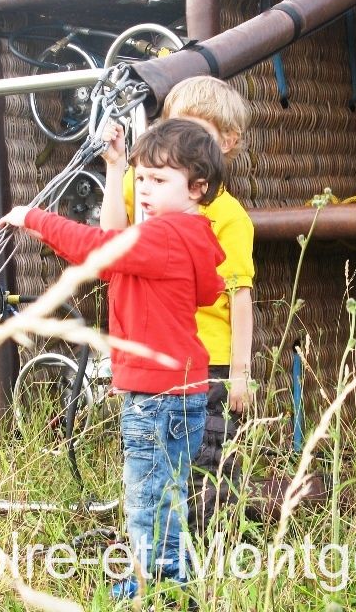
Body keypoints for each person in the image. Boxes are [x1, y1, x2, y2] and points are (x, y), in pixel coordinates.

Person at [0, 118, 226, 592]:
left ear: (198, 189)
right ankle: (167, 582)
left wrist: (34, 219)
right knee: (167, 497)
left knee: (148, 502)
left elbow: (97, 248)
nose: (144, 189)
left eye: (159, 180)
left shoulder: (165, 238)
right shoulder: (185, 235)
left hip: (156, 398)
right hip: (181, 391)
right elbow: (115, 248)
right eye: (140, 177)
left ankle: (155, 591)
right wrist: (115, 167)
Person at [99, 75, 255, 537]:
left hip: (209, 363)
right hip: (154, 361)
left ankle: (208, 549)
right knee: (150, 460)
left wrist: (242, 371)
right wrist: (114, 173)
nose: (178, 140)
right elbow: (111, 243)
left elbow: (239, 295)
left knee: (205, 461)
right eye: (173, 125)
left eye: (196, 131)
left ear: (226, 144)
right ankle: (158, 550)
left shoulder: (228, 216)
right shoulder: (145, 187)